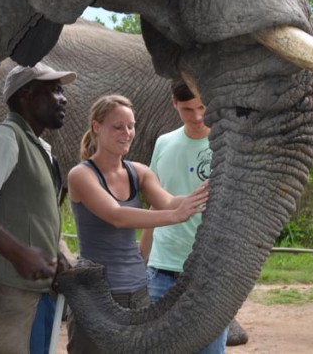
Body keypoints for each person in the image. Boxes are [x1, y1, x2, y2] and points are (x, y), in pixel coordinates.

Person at [66, 93, 209, 354]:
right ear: (97, 127)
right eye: (118, 127)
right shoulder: (81, 175)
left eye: (131, 126)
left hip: (138, 292)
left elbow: (168, 202)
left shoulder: (139, 172)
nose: (127, 133)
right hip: (97, 294)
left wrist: (201, 195)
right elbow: (117, 216)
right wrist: (176, 216)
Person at [0, 61, 77, 354]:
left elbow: (30, 216)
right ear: (27, 95)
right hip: (7, 299)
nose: (64, 98)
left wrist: (56, 256)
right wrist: (18, 252)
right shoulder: (4, 138)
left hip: (35, 298)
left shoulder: (39, 148)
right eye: (54, 90)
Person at [139, 80, 229, 353]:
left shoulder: (227, 145)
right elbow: (157, 205)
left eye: (202, 107)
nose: (198, 117)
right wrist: (143, 259)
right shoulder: (163, 143)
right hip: (161, 271)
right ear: (174, 103)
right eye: (187, 109)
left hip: (210, 273)